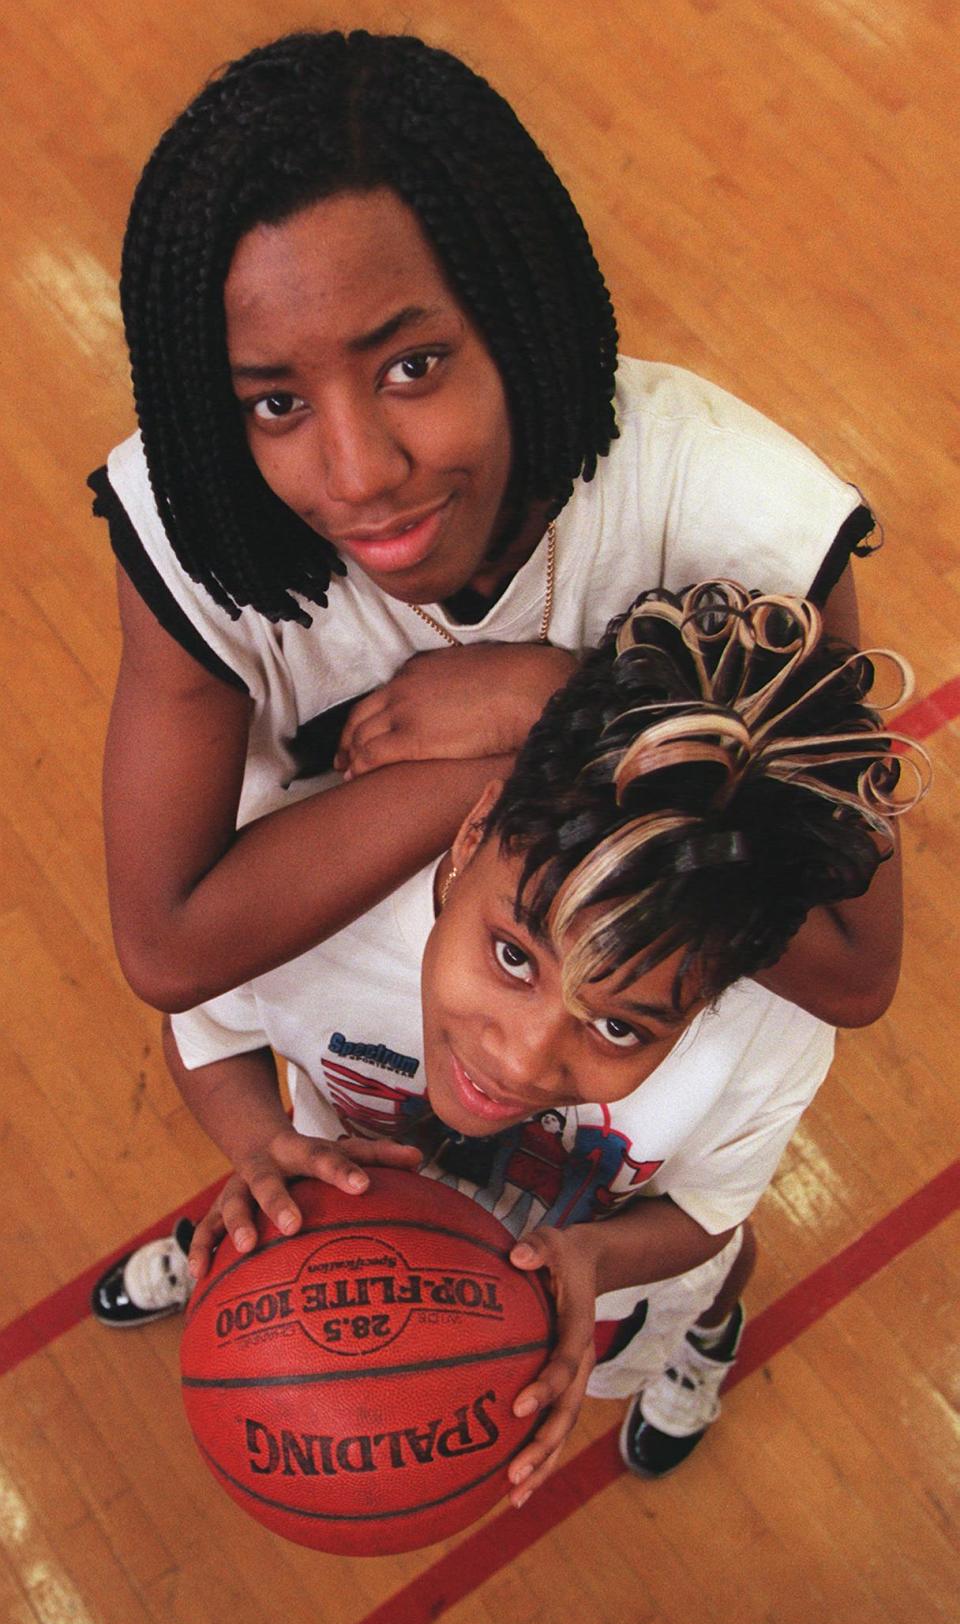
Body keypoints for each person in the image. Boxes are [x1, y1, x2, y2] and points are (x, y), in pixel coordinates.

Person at [90, 28, 898, 1043]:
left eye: (412, 366)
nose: (360, 471)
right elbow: (166, 946)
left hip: (637, 1080)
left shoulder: (734, 517)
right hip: (362, 1063)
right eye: (276, 404)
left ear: (522, 319)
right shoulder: (199, 523)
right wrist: (544, 749)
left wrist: (556, 699)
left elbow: (857, 969)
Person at [94, 584, 927, 1500]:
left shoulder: (769, 1035)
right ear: (473, 830)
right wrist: (261, 1145)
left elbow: (706, 1209)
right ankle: (253, 1248)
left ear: (714, 999)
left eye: (620, 1024)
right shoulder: (318, 905)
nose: (522, 1058)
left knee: (704, 1288)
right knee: (269, 1226)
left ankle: (702, 1346)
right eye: (512, 954)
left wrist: (598, 1258)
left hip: (593, 1283)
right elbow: (207, 1031)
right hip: (344, 1236)